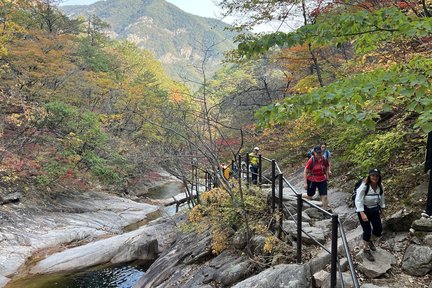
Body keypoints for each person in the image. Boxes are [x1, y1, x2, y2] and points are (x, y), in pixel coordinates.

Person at [355, 168, 385, 262]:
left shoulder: (380, 186)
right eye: (373, 175)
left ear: (379, 177)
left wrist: (382, 209)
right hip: (364, 210)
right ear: (369, 176)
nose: (374, 177)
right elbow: (358, 199)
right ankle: (366, 248)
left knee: (378, 230)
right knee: (367, 231)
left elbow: (382, 197)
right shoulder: (364, 186)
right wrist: (362, 212)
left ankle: (370, 241)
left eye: (376, 175)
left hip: (375, 209)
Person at [303, 146, 330, 210]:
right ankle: (302, 196)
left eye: (320, 153)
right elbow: (305, 171)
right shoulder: (311, 161)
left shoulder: (324, 159)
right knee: (310, 196)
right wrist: (305, 183)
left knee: (324, 196)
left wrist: (327, 175)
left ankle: (326, 211)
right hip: (312, 179)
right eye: (317, 153)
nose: (319, 154)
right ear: (314, 153)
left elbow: (327, 167)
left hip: (322, 179)